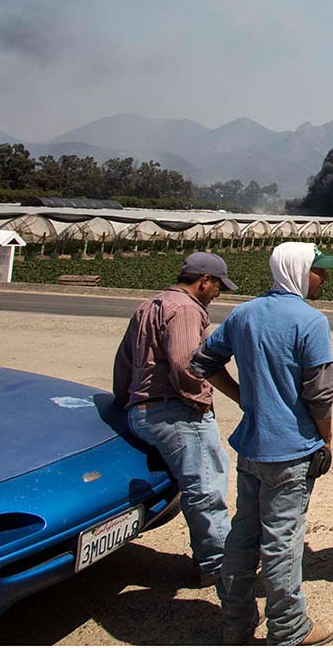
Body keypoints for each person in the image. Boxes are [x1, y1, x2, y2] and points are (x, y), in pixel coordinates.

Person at [191, 242, 333, 646]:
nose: (323, 277)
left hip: (253, 445)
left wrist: (243, 396)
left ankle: (236, 624)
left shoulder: (243, 314)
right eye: (318, 269)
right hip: (291, 449)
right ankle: (288, 628)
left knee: (243, 534)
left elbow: (201, 362)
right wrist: (324, 437)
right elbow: (320, 393)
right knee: (282, 539)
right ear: (298, 271)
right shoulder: (311, 322)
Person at [112, 251, 238, 589]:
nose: (218, 294)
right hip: (175, 411)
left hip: (143, 411)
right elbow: (186, 364)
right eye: (218, 287)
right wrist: (199, 402)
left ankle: (211, 556)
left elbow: (124, 361)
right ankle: (217, 564)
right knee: (206, 487)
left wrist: (125, 402)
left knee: (193, 484)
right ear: (204, 281)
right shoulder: (185, 309)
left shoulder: (149, 305)